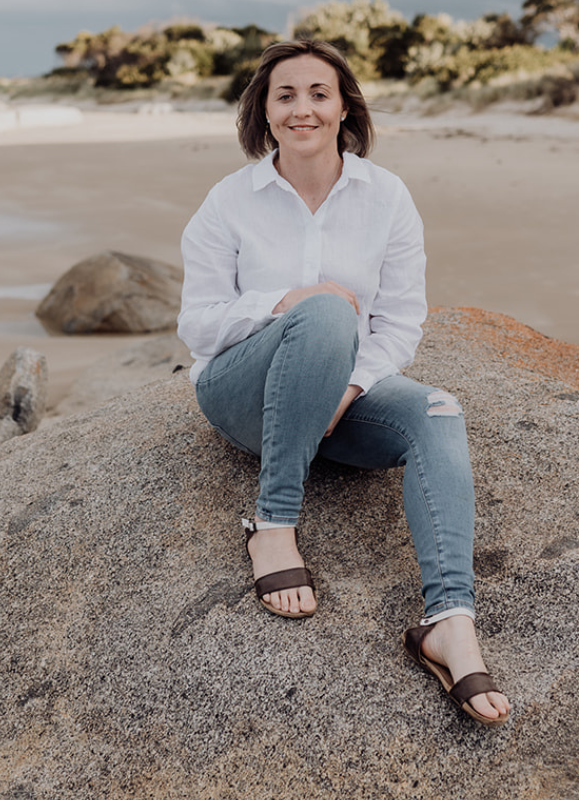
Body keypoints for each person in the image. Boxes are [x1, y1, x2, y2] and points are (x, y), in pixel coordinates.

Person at [177, 38, 510, 725]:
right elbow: (199, 326)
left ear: (344, 107)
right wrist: (287, 305)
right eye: (285, 96)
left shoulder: (385, 196)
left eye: (318, 94)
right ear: (263, 113)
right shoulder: (228, 202)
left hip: (338, 401)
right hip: (241, 396)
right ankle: (273, 523)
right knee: (326, 308)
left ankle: (450, 624)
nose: (303, 109)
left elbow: (400, 322)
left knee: (439, 410)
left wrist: (347, 391)